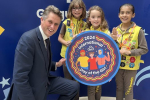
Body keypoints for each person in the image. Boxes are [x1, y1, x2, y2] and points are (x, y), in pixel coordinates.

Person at [6, 5, 80, 100]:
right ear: (42, 19)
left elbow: (40, 62)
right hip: (30, 87)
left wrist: (57, 64)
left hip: (45, 81)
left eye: (56, 24)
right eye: (50, 22)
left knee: (74, 87)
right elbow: (20, 78)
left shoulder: (46, 38)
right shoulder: (28, 39)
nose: (52, 27)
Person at [111, 3, 148, 100]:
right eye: (122, 13)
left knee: (128, 90)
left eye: (128, 12)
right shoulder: (116, 30)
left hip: (131, 67)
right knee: (119, 88)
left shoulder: (138, 30)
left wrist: (130, 52)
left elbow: (144, 49)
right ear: (119, 15)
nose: (124, 15)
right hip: (118, 65)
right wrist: (114, 39)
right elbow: (113, 48)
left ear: (133, 15)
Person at [58, 0, 86, 99]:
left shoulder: (84, 24)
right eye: (74, 8)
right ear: (71, 10)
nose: (77, 10)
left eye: (79, 8)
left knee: (77, 82)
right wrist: (66, 42)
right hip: (66, 55)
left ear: (83, 10)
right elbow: (59, 38)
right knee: (68, 81)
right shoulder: (66, 22)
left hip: (79, 56)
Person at [86, 6, 111, 100]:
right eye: (93, 17)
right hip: (91, 65)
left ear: (102, 18)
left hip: (101, 65)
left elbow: (110, 49)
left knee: (98, 87)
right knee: (91, 87)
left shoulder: (106, 32)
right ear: (89, 18)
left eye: (98, 17)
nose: (95, 19)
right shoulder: (86, 31)